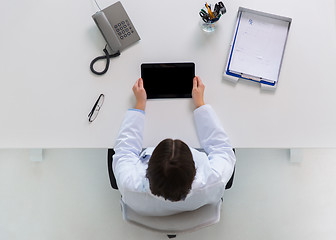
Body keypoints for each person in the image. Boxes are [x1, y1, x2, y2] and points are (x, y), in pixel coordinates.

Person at [113, 76, 236, 216]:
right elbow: (222, 148)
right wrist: (200, 104)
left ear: (149, 166)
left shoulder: (128, 184)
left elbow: (125, 149)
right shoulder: (215, 179)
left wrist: (140, 104)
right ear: (194, 167)